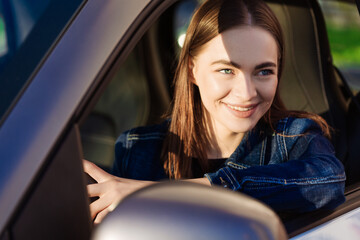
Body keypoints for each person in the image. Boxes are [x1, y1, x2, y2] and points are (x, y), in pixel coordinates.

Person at [84, 0, 346, 224]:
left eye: (264, 71)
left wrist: (158, 193)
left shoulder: (295, 138)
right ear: (192, 70)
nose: (246, 93)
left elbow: (328, 181)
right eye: (226, 70)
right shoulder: (138, 150)